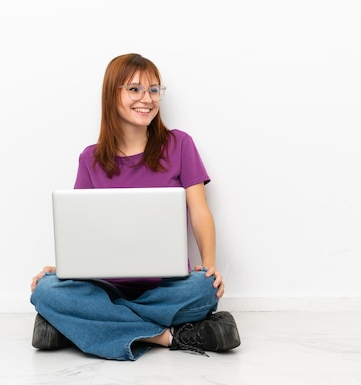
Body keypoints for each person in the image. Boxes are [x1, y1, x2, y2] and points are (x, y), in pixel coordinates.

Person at [30, 53, 240, 361]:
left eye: (154, 90)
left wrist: (211, 265)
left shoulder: (179, 144)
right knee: (45, 290)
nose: (147, 99)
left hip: (167, 285)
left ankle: (75, 326)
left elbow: (199, 210)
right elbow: (80, 227)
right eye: (135, 89)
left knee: (204, 289)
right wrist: (66, 266)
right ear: (112, 94)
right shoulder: (90, 158)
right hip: (103, 285)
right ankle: (166, 336)